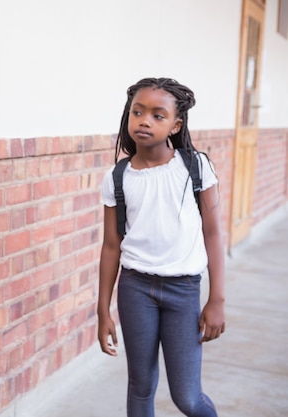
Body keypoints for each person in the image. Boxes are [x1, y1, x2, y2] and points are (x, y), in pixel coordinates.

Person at [97, 78, 226, 417]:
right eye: (137, 112)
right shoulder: (118, 177)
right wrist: (102, 310)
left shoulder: (195, 168)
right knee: (140, 387)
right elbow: (112, 246)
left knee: (188, 398)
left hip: (183, 291)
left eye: (158, 115)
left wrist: (216, 299)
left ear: (175, 124)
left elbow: (213, 234)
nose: (144, 120)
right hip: (135, 288)